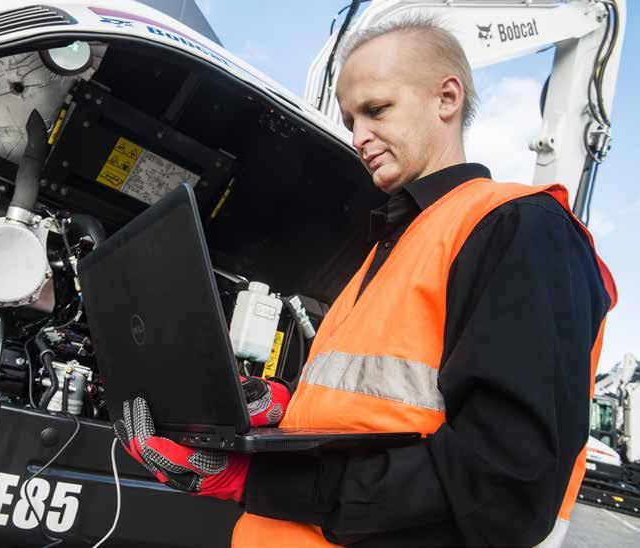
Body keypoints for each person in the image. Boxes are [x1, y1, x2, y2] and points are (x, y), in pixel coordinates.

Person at [113, 16, 616, 547]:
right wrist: (282, 403)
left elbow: (501, 484)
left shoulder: (518, 227)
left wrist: (255, 480)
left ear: (447, 99)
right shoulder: (393, 245)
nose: (358, 136)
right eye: (351, 118)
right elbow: (382, 404)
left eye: (376, 110)